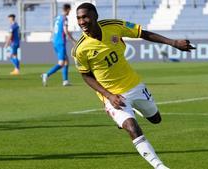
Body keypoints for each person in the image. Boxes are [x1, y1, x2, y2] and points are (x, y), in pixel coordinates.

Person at [72, 3, 195, 169]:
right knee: (132, 127)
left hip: (134, 85)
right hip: (113, 96)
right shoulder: (80, 49)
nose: (82, 21)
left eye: (85, 17)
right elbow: (86, 76)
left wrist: (173, 42)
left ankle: (128, 113)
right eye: (79, 18)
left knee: (156, 119)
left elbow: (143, 34)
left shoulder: (113, 26)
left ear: (95, 16)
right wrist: (108, 96)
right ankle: (160, 166)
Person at [41, 3, 76, 86]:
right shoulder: (65, 18)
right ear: (67, 9)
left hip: (55, 41)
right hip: (60, 42)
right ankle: (46, 75)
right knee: (61, 63)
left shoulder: (58, 18)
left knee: (66, 61)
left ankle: (65, 81)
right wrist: (73, 40)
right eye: (69, 10)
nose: (69, 12)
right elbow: (65, 31)